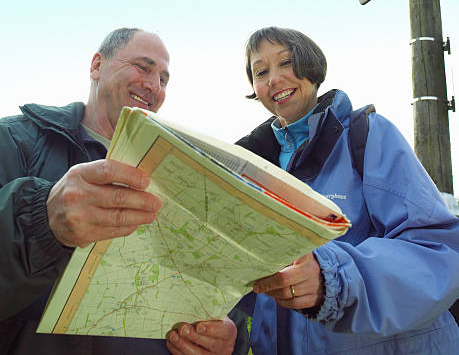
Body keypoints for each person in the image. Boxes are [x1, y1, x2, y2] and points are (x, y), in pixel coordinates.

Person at [0, 27, 246, 355]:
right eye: (143, 67)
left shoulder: (182, 179)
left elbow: (212, 285)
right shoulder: (14, 141)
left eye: (164, 79)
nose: (154, 86)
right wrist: (41, 223)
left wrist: (227, 337)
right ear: (96, 66)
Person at [236, 26, 459, 354]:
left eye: (286, 63)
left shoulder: (367, 135)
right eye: (261, 71)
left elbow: (436, 250)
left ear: (312, 68)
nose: (274, 79)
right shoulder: (247, 167)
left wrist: (331, 282)